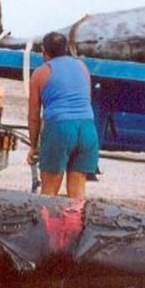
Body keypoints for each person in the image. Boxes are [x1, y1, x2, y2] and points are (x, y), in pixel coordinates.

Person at [27, 31, 98, 199]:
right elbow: (86, 99)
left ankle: (47, 225)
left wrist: (34, 146)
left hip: (61, 129)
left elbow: (33, 115)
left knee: (49, 194)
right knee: (77, 196)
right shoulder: (82, 67)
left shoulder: (41, 73)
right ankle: (74, 225)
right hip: (87, 129)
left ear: (44, 52)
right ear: (66, 48)